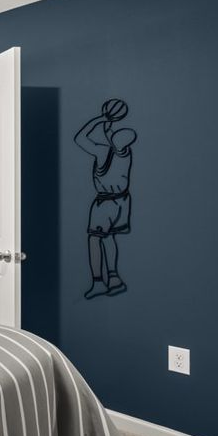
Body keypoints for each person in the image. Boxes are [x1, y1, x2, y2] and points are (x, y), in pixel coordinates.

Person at [74, 99, 137, 299]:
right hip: (123, 202)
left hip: (106, 202)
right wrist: (108, 125)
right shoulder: (126, 154)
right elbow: (111, 136)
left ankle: (98, 282)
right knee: (109, 238)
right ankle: (114, 278)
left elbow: (80, 138)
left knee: (94, 239)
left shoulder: (103, 152)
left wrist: (101, 119)